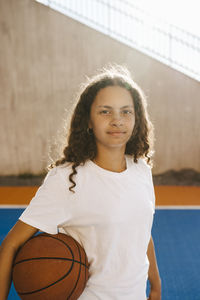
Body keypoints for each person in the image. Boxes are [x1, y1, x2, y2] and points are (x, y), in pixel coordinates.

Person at [0, 65, 161, 300]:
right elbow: (11, 245)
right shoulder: (68, 179)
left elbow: (141, 231)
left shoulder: (141, 170)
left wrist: (155, 284)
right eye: (105, 112)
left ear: (136, 119)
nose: (117, 120)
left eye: (126, 112)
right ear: (88, 120)